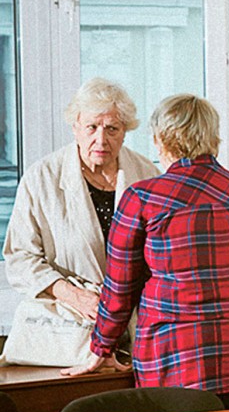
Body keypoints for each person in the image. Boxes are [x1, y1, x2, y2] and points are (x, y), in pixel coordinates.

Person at [62, 94, 229, 407]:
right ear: (214, 138)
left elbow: (120, 288)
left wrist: (102, 347)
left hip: (176, 356)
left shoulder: (143, 199)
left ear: (160, 140)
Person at [2, 78, 156, 365]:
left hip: (141, 328)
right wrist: (71, 294)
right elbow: (20, 257)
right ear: (75, 127)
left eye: (112, 128)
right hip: (71, 330)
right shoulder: (42, 177)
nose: (101, 139)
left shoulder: (147, 173)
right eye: (92, 127)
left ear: (125, 131)